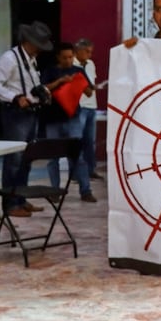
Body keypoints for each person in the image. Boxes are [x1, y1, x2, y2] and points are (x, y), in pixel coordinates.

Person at [0, 21, 54, 218]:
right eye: (39, 45)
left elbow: (31, 85)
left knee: (26, 159)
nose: (41, 49)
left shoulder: (31, 59)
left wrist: (42, 94)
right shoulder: (10, 58)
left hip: (32, 114)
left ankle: (21, 199)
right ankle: (10, 205)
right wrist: (15, 98)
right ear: (29, 41)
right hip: (15, 115)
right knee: (14, 160)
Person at [41, 42, 96, 202]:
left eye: (71, 57)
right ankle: (55, 191)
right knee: (53, 157)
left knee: (78, 155)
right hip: (53, 118)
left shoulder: (78, 70)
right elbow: (43, 89)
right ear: (58, 57)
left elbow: (88, 92)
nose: (68, 61)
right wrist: (60, 82)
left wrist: (80, 83)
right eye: (65, 58)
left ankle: (85, 190)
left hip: (73, 117)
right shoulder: (50, 71)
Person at [73, 38, 102, 181]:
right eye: (87, 52)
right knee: (77, 141)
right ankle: (76, 173)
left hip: (91, 105)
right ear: (78, 51)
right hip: (78, 106)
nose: (89, 55)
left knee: (90, 141)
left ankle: (91, 170)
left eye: (91, 52)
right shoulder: (71, 64)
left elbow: (91, 83)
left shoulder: (90, 64)